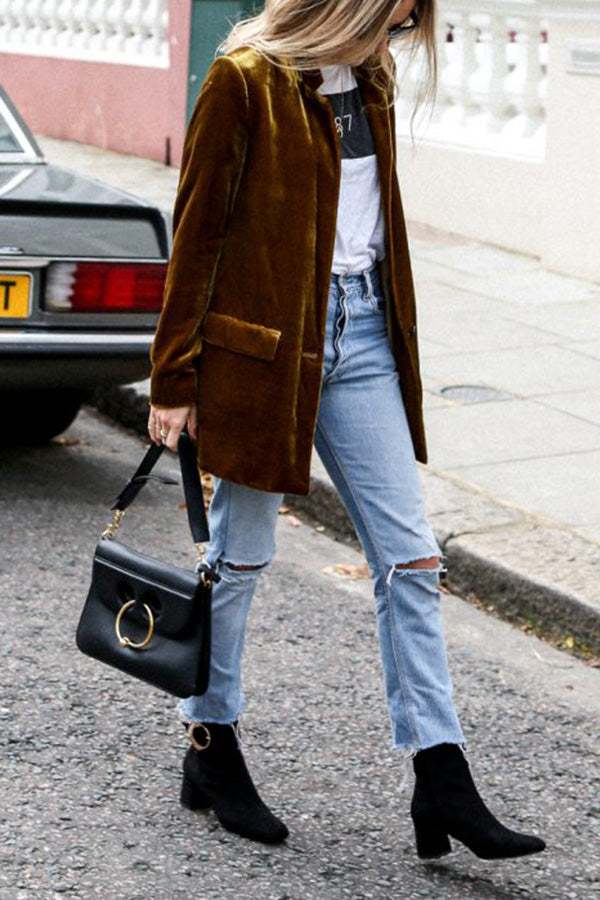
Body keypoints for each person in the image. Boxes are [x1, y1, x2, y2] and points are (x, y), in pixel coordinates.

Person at [147, 0, 546, 858]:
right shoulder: (245, 80)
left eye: (405, 23)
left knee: (412, 558)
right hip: (266, 350)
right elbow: (199, 231)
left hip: (361, 335)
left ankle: (440, 773)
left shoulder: (372, 77)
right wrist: (173, 378)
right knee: (240, 556)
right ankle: (209, 740)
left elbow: (375, 221)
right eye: (391, 17)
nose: (395, 34)